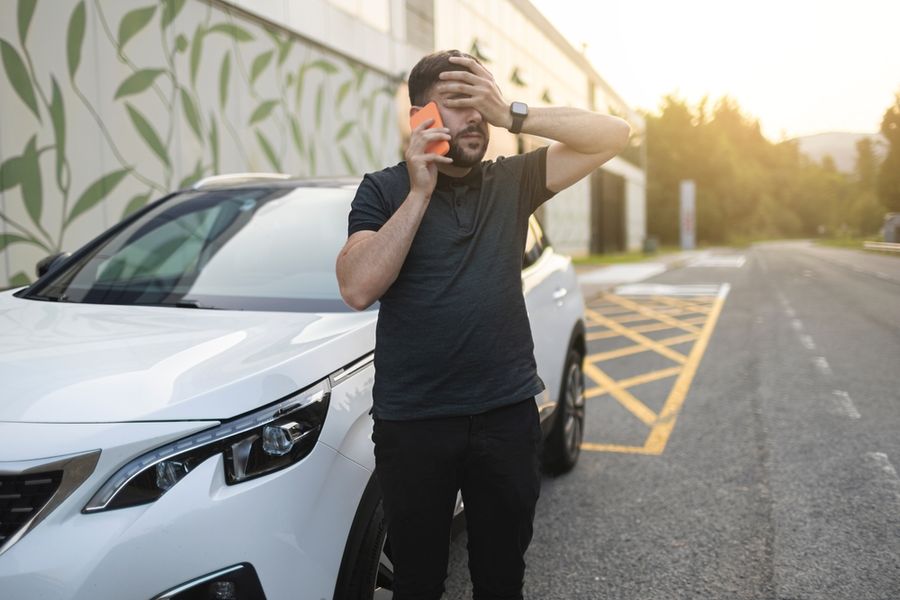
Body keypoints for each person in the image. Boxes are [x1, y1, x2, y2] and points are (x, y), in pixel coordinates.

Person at [335, 49, 630, 600]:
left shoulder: (512, 181)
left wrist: (513, 113)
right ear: (421, 116)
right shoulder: (383, 190)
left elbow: (614, 134)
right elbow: (357, 286)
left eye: (482, 101)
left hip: (506, 417)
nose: (475, 116)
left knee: (501, 580)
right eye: (458, 103)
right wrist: (420, 191)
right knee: (418, 583)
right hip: (415, 424)